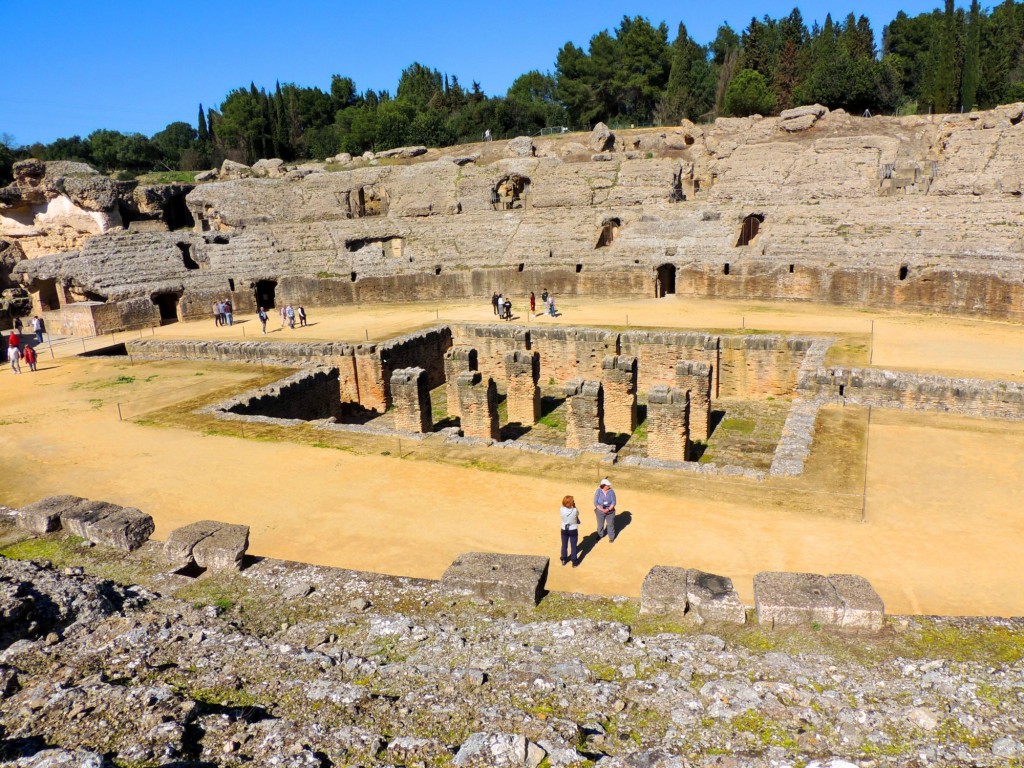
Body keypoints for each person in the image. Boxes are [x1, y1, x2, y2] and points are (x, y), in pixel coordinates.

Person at [560, 494, 581, 567]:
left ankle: (563, 559)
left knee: (564, 544)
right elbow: (577, 513)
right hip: (573, 529)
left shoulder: (561, 509)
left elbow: (564, 508)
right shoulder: (575, 510)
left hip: (564, 529)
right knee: (573, 546)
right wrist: (574, 506)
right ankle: (574, 561)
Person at [594, 478, 617, 542]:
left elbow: (614, 502)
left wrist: (609, 509)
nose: (609, 486)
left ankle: (611, 537)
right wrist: (601, 509)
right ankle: (600, 534)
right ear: (603, 486)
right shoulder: (598, 491)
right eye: (607, 485)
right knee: (600, 524)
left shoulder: (611, 492)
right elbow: (595, 502)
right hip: (599, 511)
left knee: (610, 524)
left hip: (610, 511)